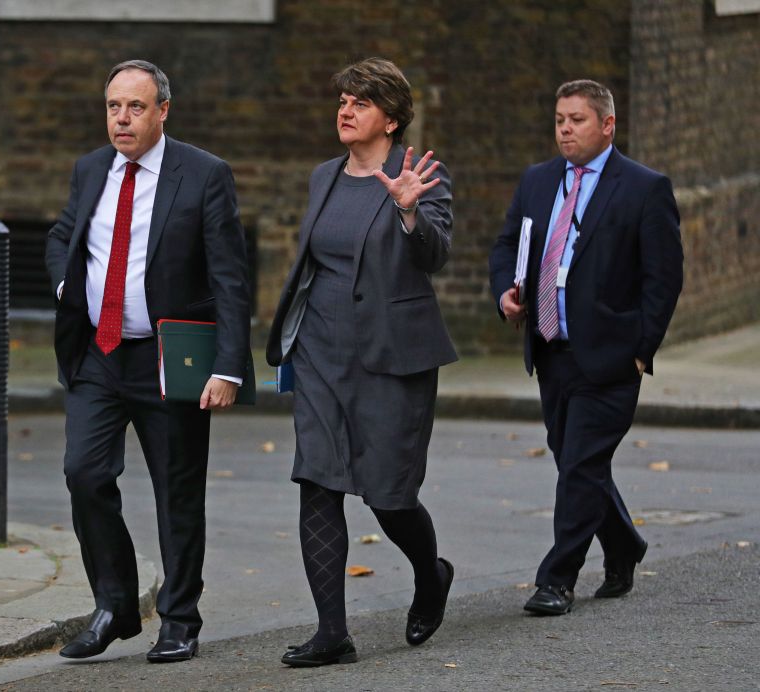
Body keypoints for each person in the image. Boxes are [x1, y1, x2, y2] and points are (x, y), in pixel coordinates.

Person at [46, 60, 251, 661]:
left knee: (178, 491)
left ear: (163, 110)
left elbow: (230, 277)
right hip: (98, 354)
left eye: (135, 107)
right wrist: (67, 289)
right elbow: (62, 236)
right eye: (113, 106)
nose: (122, 119)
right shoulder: (90, 169)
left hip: (170, 359)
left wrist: (229, 366)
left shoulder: (205, 174)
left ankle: (180, 618)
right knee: (84, 473)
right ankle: (113, 603)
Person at [266, 57, 457, 667]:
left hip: (392, 357)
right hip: (322, 351)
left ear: (392, 118)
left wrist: (407, 210)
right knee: (317, 481)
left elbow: (435, 255)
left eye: (361, 103)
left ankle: (431, 575)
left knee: (388, 495)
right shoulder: (325, 176)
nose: (345, 111)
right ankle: (332, 633)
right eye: (343, 100)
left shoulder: (420, 173)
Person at [488, 79, 683, 615]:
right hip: (552, 349)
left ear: (607, 125)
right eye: (559, 119)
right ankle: (623, 545)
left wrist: (641, 349)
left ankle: (556, 579)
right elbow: (508, 246)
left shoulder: (644, 188)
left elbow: (662, 279)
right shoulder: (537, 181)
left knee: (580, 465)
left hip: (612, 354)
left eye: (576, 119)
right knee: (575, 462)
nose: (565, 129)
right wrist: (505, 290)